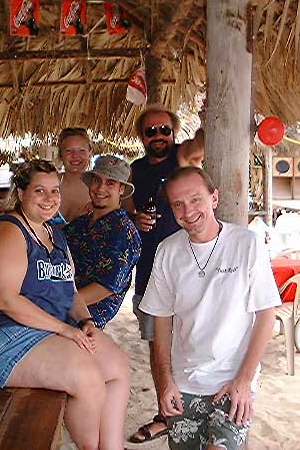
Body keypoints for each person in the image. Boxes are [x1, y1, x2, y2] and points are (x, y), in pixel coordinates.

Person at [0, 160, 130, 450]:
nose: (49, 199)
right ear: (21, 193)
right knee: (87, 376)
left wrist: (86, 322)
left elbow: (70, 291)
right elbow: (6, 301)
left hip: (34, 332)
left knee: (117, 365)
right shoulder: (9, 231)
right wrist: (65, 331)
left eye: (54, 191)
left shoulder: (55, 234)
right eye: (40, 191)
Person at [139, 167, 280, 449]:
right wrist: (165, 381)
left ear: (214, 198)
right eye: (177, 204)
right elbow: (162, 321)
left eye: (195, 199)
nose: (187, 211)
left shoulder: (246, 244)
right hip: (184, 382)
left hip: (232, 379)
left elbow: (266, 315)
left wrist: (244, 379)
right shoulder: (168, 250)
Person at [123, 104, 204, 443]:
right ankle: (165, 414)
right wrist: (133, 217)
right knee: (158, 348)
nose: (158, 136)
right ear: (141, 137)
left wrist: (208, 113)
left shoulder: (181, 159)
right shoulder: (136, 169)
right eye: (150, 131)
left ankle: (196, 410)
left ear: (174, 134)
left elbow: (201, 143)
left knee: (192, 344)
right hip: (149, 274)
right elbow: (124, 201)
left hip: (188, 272)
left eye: (165, 130)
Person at [63, 155, 141, 329]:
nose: (100, 188)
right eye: (97, 180)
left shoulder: (124, 233)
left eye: (110, 183)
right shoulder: (80, 223)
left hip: (83, 320)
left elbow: (104, 287)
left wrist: (57, 303)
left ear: (121, 189)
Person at [57, 127, 92, 223]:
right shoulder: (50, 183)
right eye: (69, 151)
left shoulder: (99, 188)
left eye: (81, 150)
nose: (75, 156)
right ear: (61, 154)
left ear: (89, 153)